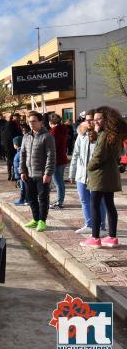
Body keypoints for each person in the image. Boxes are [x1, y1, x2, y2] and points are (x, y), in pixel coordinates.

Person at [80, 106, 127, 248]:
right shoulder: (115, 134)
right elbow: (119, 153)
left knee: (95, 205)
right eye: (94, 120)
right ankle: (112, 237)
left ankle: (95, 238)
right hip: (110, 174)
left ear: (107, 119)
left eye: (99, 119)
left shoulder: (106, 135)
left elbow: (99, 156)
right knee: (109, 205)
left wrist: (88, 167)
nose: (96, 122)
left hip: (99, 175)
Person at [69, 109, 107, 235]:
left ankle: (101, 226)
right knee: (84, 200)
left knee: (98, 201)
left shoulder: (101, 135)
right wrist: (72, 173)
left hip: (96, 175)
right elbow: (75, 154)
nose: (90, 122)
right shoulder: (81, 135)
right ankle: (89, 224)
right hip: (81, 174)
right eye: (88, 120)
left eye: (92, 120)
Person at [20, 110, 56, 232]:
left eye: (34, 121)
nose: (31, 124)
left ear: (41, 122)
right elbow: (23, 155)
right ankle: (35, 219)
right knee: (31, 198)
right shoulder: (26, 136)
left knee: (43, 198)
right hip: (28, 174)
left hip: (41, 174)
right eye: (30, 121)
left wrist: (48, 173)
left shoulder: (47, 136)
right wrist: (22, 171)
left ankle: (42, 220)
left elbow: (51, 156)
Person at [48, 113, 68, 209]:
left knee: (58, 182)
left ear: (51, 122)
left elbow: (52, 148)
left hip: (56, 160)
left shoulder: (54, 132)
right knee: (60, 182)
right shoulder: (63, 129)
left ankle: (60, 202)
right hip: (63, 158)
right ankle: (60, 200)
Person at [1, 113, 22, 180]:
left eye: (19, 117)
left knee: (10, 160)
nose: (19, 119)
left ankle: (10, 175)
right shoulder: (11, 124)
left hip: (9, 145)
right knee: (12, 160)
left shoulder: (9, 124)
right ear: (13, 117)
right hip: (11, 145)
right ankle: (12, 175)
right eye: (17, 117)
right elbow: (13, 135)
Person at [12, 136, 28, 206]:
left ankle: (23, 199)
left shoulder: (20, 153)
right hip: (20, 173)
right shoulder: (20, 152)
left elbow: (20, 165)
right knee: (24, 187)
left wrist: (18, 174)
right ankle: (25, 199)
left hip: (21, 174)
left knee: (23, 188)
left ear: (15, 144)